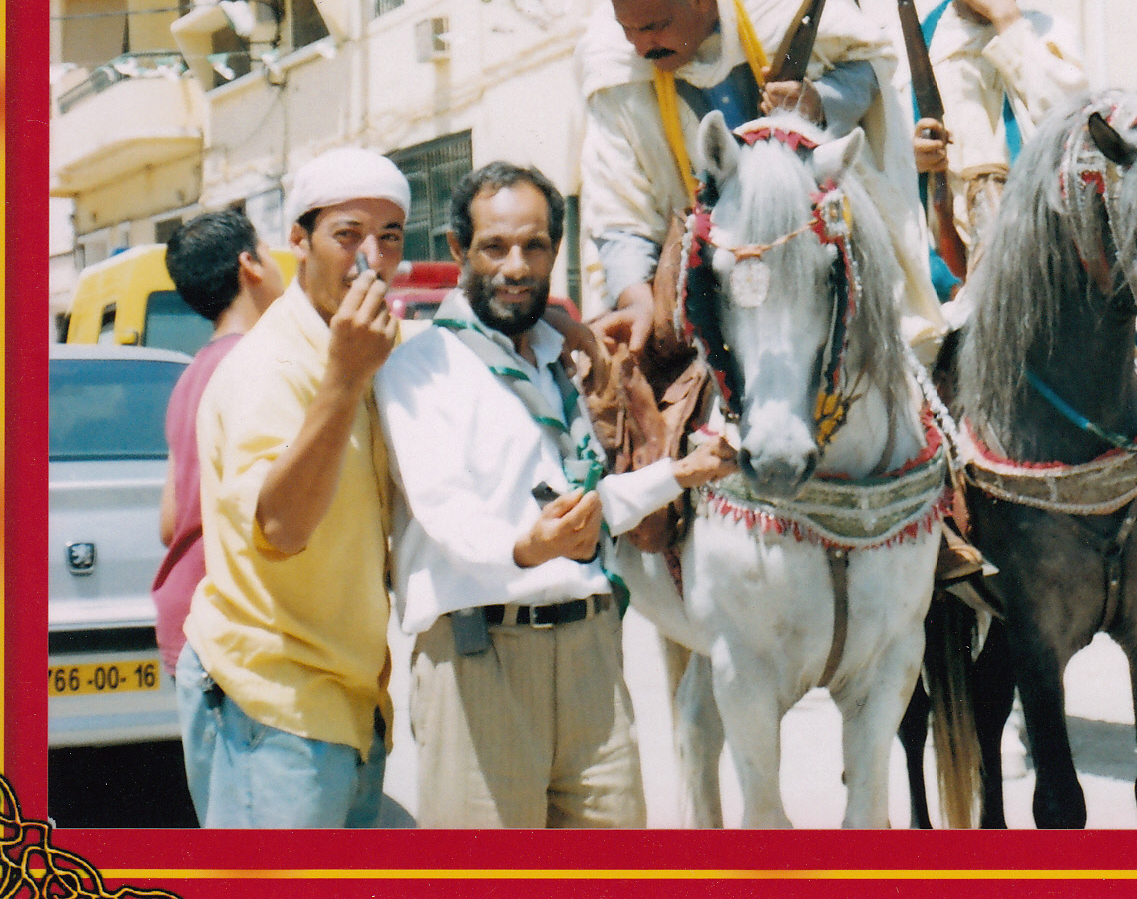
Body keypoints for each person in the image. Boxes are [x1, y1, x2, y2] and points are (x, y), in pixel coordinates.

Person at [374, 162, 737, 828]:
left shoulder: (567, 360)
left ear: (554, 252)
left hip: (591, 655)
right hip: (481, 660)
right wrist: (527, 546)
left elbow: (586, 503)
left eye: (534, 247)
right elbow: (446, 510)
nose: (516, 266)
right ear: (459, 251)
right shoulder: (418, 367)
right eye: (495, 247)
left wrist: (680, 473)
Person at [577, 0, 941, 355]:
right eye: (628, 29)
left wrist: (817, 104)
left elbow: (867, 67)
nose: (639, 47)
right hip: (705, 285)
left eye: (654, 27)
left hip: (822, 254)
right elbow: (620, 208)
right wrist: (638, 302)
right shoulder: (611, 64)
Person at [178, 147, 409, 828]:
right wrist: (343, 379)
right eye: (347, 235)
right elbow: (280, 528)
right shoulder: (273, 366)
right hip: (273, 702)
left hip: (347, 699)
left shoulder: (356, 344)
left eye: (390, 237)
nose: (372, 259)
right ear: (299, 241)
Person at [910, 0, 1087, 295]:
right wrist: (911, 156)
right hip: (947, 265)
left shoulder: (1048, 34)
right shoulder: (916, 46)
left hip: (1041, 258)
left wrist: (1007, 19)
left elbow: (1069, 122)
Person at [152, 209, 285, 681]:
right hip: (236, 629)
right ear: (250, 264)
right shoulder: (261, 364)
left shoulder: (188, 377)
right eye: (269, 251)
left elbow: (171, 525)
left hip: (185, 625)